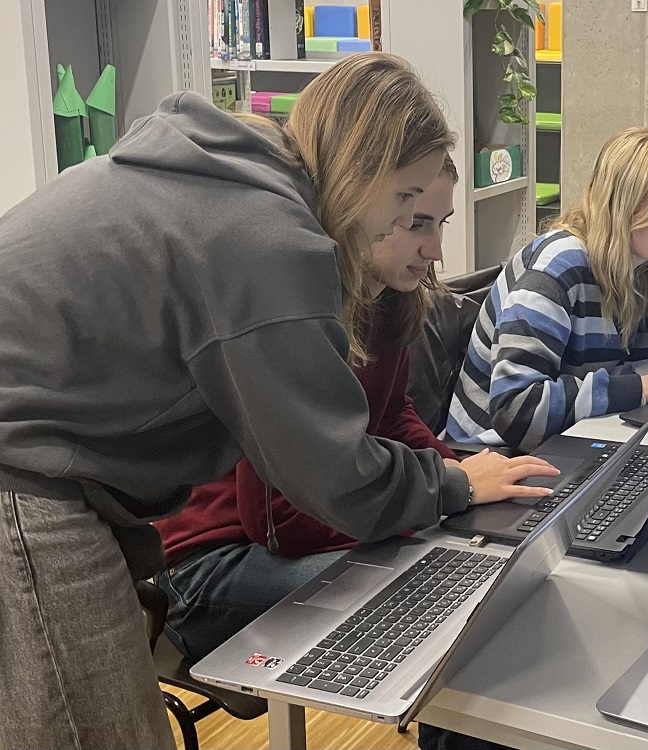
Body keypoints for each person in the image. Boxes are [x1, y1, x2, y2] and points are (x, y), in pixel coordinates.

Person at [0, 53, 554, 750]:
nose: (412, 232)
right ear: (359, 167)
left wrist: (447, 481)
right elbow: (329, 476)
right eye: (406, 202)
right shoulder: (266, 235)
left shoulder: (236, 186)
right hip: (26, 471)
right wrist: (452, 485)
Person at [446, 126, 648, 452]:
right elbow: (517, 411)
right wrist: (642, 387)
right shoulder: (559, 264)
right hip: (492, 455)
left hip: (581, 434)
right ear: (621, 210)